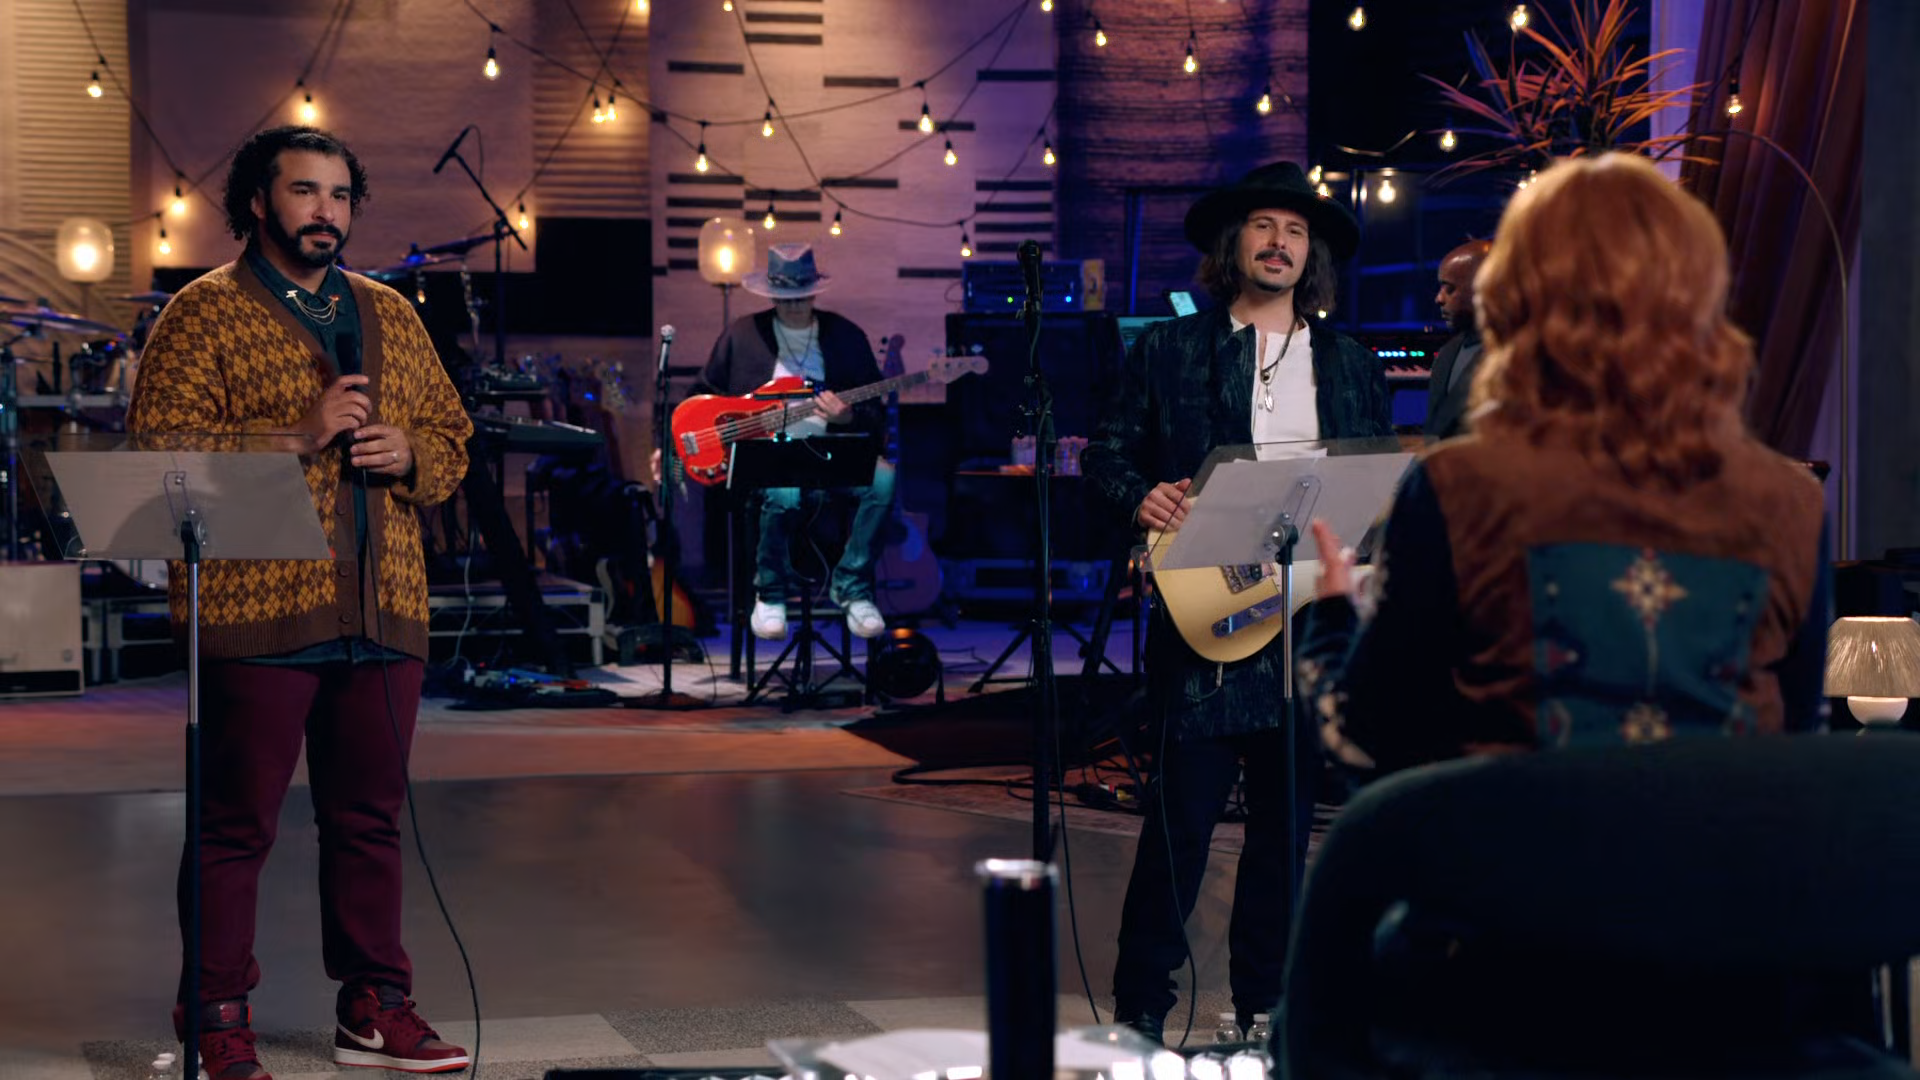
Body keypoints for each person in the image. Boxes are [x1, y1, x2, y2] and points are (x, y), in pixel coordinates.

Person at [1301, 151, 1830, 777]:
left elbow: (1367, 745)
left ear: (1515, 298)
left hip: (1519, 840)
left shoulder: (1458, 488)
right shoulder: (1792, 500)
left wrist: (1332, 612)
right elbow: (1798, 749)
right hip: (1723, 840)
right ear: (1700, 294)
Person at [127, 126, 473, 1080]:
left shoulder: (389, 313)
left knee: (369, 822)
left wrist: (412, 452)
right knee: (235, 825)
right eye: (304, 191)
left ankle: (374, 1007)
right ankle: (214, 1016)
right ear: (257, 202)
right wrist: (296, 434)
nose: (326, 211)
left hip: (383, 603)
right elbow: (158, 455)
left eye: (340, 194)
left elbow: (451, 434)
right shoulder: (202, 313)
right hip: (258, 609)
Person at [1082, 160, 1392, 1042]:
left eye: (1296, 231)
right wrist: (1138, 495)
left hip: (1308, 616)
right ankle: (1142, 1006)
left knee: (1285, 831)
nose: (1279, 243)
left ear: (1311, 255)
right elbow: (1103, 457)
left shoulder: (1349, 361)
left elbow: (1373, 488)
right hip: (1204, 612)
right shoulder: (1170, 348)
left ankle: (1264, 1004)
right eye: (1264, 225)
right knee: (1179, 822)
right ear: (1234, 242)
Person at [697, 242, 893, 641]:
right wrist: (665, 444)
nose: (794, 306)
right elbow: (702, 396)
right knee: (783, 491)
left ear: (815, 293)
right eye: (785, 298)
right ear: (771, 296)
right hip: (766, 457)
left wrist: (847, 416)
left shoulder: (845, 336)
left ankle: (852, 587)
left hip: (832, 451)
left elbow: (876, 413)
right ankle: (770, 594)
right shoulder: (741, 335)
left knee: (884, 480)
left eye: (802, 297)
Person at [1422, 238, 1493, 440]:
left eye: (1450, 289)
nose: (1439, 298)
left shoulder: (1518, 356)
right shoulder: (1447, 353)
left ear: (1484, 288)